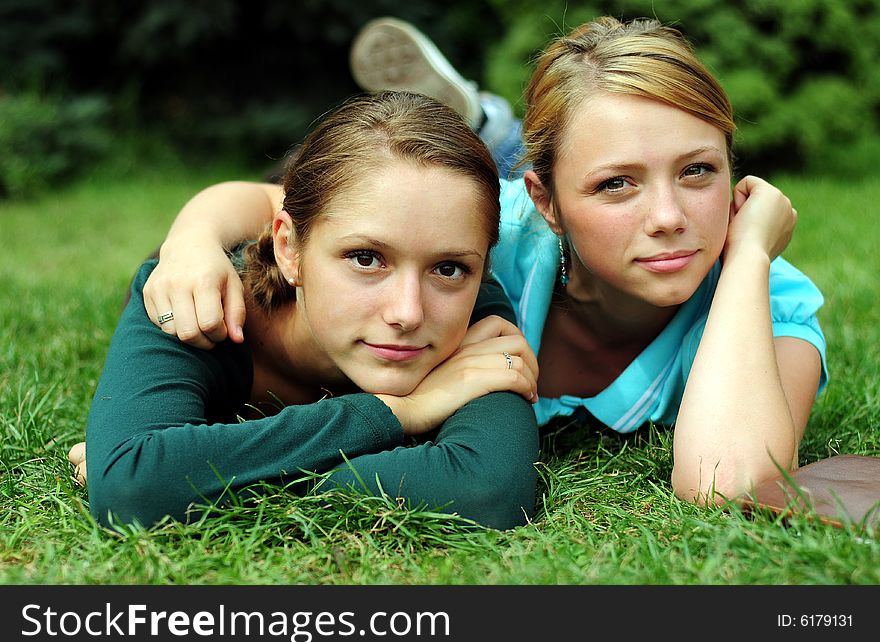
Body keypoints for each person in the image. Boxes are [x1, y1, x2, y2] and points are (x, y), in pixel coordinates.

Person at [126, 16, 829, 508]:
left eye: (700, 171)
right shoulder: (493, 239)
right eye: (617, 183)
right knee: (451, 181)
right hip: (501, 191)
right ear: (547, 203)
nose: (670, 216)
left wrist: (748, 258)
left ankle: (479, 122)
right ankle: (477, 123)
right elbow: (290, 208)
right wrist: (190, 237)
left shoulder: (769, 304)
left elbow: (727, 481)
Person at [70, 90, 541, 531]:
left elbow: (486, 488)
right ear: (288, 250)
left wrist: (193, 476)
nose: (408, 313)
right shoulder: (192, 303)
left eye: (449, 268)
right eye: (366, 259)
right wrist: (402, 412)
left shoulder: (478, 312)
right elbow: (132, 487)